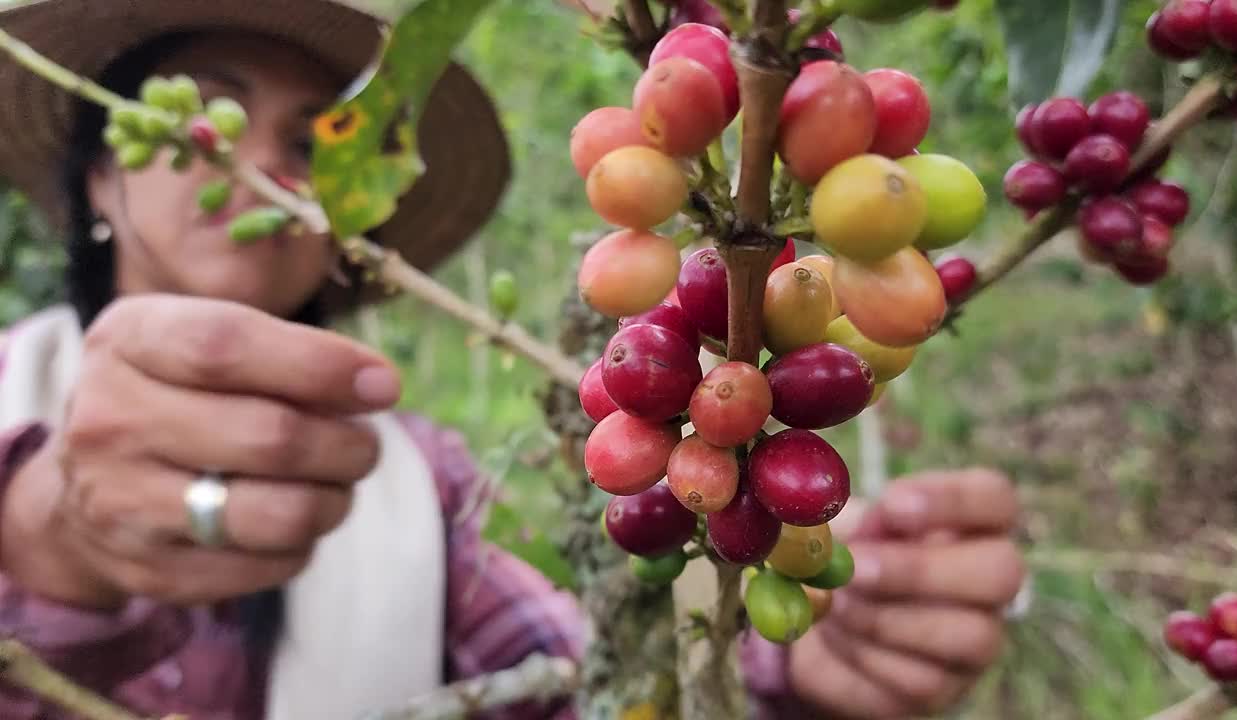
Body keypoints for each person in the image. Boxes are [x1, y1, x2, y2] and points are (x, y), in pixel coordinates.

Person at [0, 1, 1027, 718]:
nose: (261, 166)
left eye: (316, 144)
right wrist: (42, 544)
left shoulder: (420, 483)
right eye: (208, 117)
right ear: (100, 179)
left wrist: (795, 681)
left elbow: (579, 685)